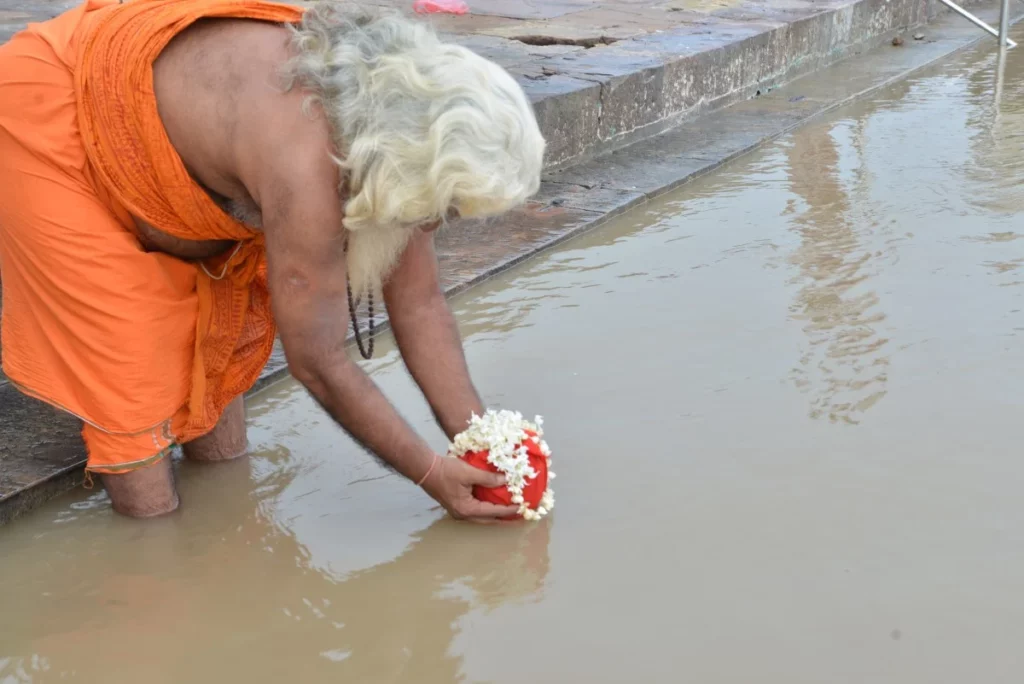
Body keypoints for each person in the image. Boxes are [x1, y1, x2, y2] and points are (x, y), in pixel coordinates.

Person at [0, 0, 546, 519]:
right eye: (445, 207)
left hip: (174, 140)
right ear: (415, 160)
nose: (432, 226)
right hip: (51, 117)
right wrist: (429, 473)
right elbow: (320, 362)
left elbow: (421, 304)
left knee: (218, 364)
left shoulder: (398, 123)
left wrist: (485, 443)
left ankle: (227, 533)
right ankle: (153, 571)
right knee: (131, 370)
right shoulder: (308, 164)